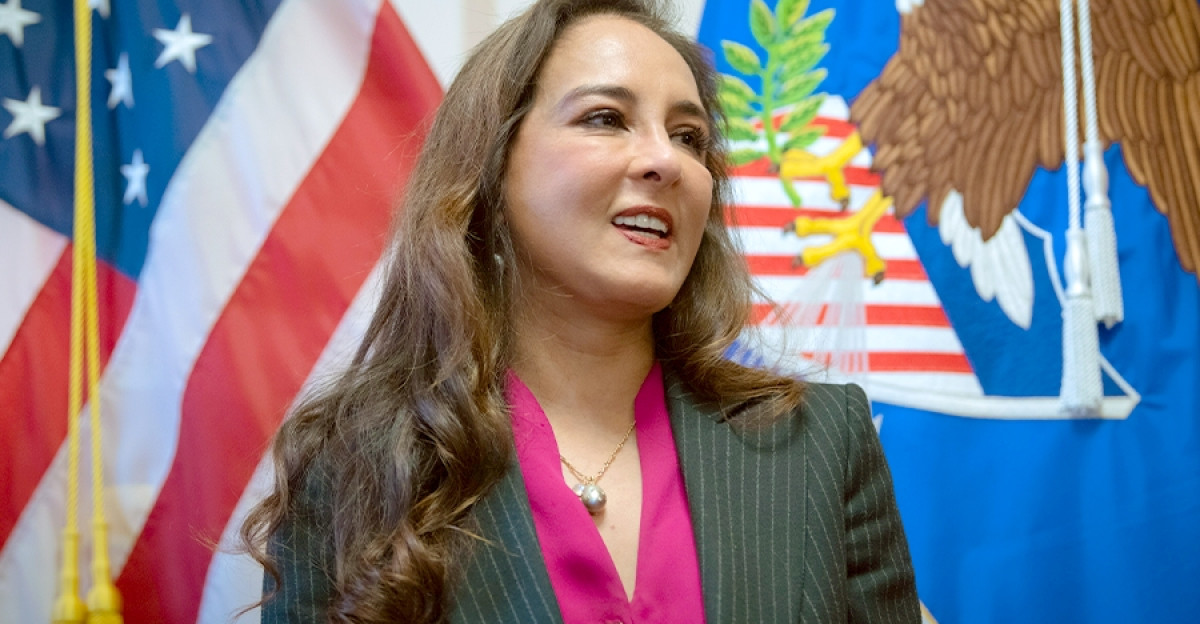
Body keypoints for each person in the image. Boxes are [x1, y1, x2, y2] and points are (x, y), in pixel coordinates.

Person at [240, 0, 920, 622]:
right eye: (606, 118)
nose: (666, 160)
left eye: (689, 136)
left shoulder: (824, 443)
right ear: (492, 167)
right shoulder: (361, 461)